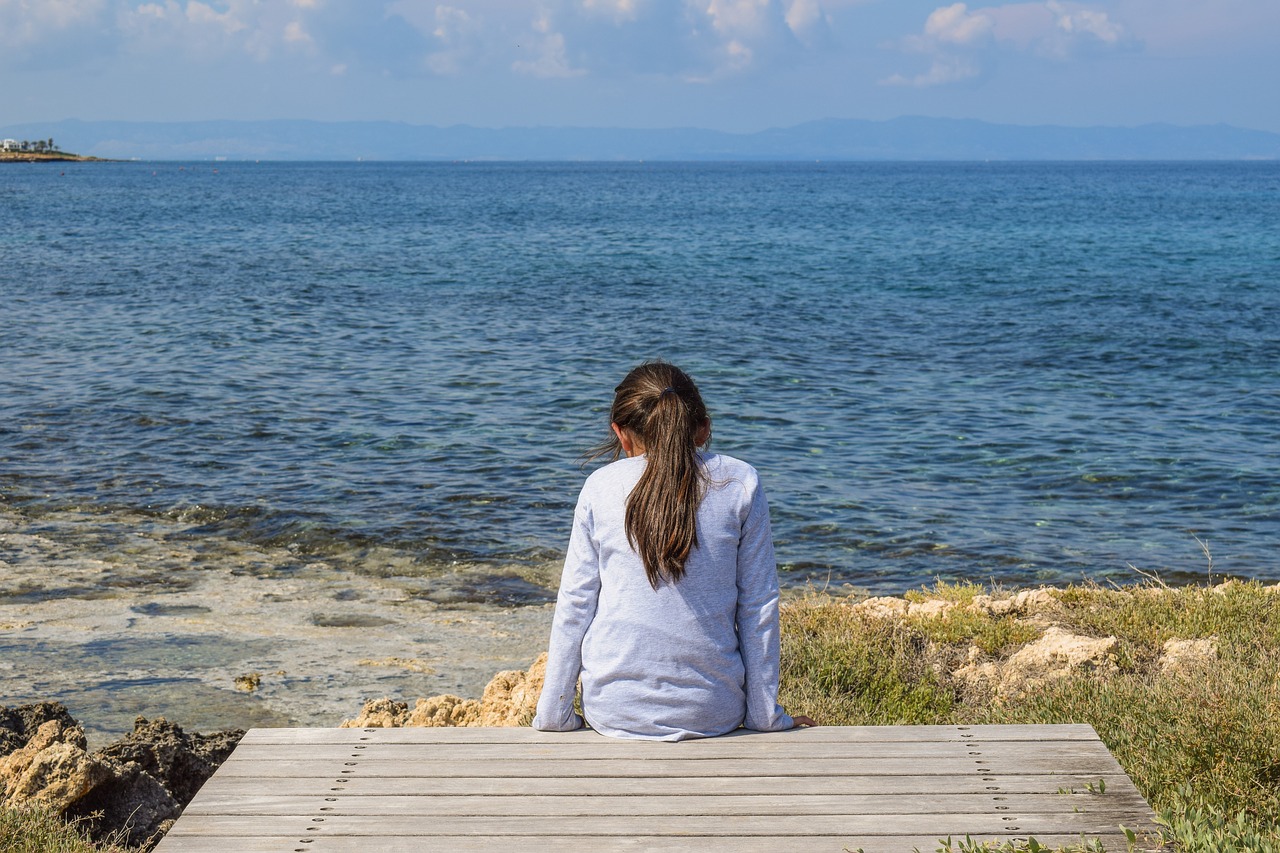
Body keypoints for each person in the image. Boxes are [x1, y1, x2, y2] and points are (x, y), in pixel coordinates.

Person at [532, 361, 815, 740]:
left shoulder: (599, 487)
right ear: (702, 429)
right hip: (713, 711)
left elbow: (575, 604)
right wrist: (766, 717)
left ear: (620, 433)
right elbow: (758, 604)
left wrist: (554, 714)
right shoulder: (740, 482)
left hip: (615, 711)